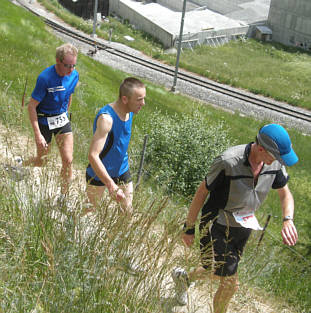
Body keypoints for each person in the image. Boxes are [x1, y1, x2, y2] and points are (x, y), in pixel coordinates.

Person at [172, 124, 299, 313]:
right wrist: (188, 227)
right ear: (261, 149)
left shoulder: (275, 164)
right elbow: (201, 192)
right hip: (217, 223)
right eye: (276, 157)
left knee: (212, 270)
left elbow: (285, 194)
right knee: (230, 283)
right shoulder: (228, 161)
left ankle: (184, 279)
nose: (279, 162)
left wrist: (288, 219)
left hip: (244, 226)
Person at [24, 43, 79, 203]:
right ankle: (21, 164)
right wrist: (38, 135)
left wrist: (65, 113)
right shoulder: (45, 78)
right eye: (67, 65)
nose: (71, 69)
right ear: (57, 61)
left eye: (74, 65)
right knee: (42, 161)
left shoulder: (74, 75)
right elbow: (31, 106)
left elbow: (69, 94)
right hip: (43, 120)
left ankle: (63, 197)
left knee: (68, 160)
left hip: (61, 119)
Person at [85, 77, 146, 214]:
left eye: (143, 98)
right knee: (89, 212)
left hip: (121, 170)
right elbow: (93, 155)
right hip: (99, 173)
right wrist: (110, 184)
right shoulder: (106, 119)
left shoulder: (130, 111)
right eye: (139, 99)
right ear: (125, 99)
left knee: (127, 212)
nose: (143, 103)